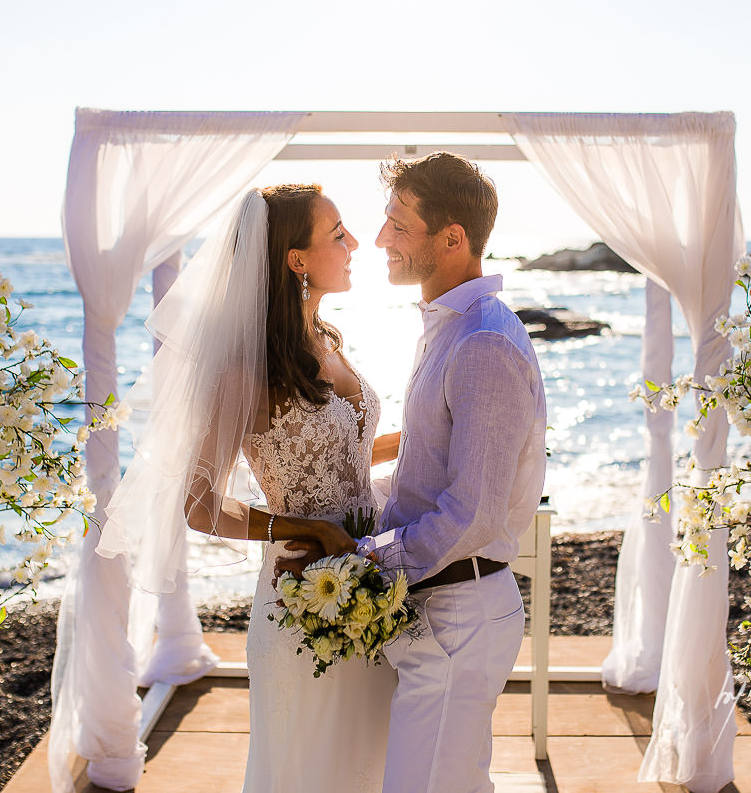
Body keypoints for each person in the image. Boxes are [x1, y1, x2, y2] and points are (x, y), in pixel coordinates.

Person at [96, 184, 398, 792]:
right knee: (309, 770)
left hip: (372, 587)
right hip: (302, 594)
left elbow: (353, 456)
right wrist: (303, 528)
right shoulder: (244, 369)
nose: (354, 243)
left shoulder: (330, 340)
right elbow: (200, 505)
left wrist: (438, 440)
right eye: (337, 233)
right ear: (296, 259)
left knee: (374, 762)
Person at [285, 152, 547, 793]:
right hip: (438, 608)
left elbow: (474, 513)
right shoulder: (448, 329)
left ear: (452, 239)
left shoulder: (482, 343)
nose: (379, 240)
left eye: (399, 226)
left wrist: (363, 562)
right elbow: (422, 478)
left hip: (460, 614)